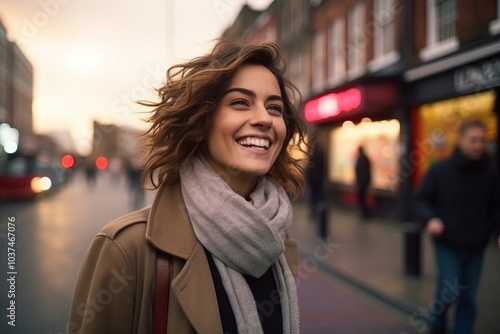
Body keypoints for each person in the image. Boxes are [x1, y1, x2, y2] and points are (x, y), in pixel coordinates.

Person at [69, 39, 309, 333]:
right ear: (200, 123)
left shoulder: (275, 238)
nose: (264, 119)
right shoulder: (126, 249)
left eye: (275, 108)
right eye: (239, 102)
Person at [414, 119, 500, 334]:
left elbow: (497, 207)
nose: (478, 145)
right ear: (460, 141)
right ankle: (437, 324)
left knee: (468, 298)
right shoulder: (440, 170)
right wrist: (431, 218)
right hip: (447, 243)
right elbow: (420, 199)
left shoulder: (492, 174)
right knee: (449, 292)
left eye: (482, 140)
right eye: (473, 140)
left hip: (476, 245)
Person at [355, 145, 371, 219]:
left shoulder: (361, 159)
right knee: (362, 198)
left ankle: (365, 213)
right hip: (363, 182)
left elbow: (360, 171)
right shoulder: (364, 158)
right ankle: (364, 212)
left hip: (362, 182)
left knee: (362, 198)